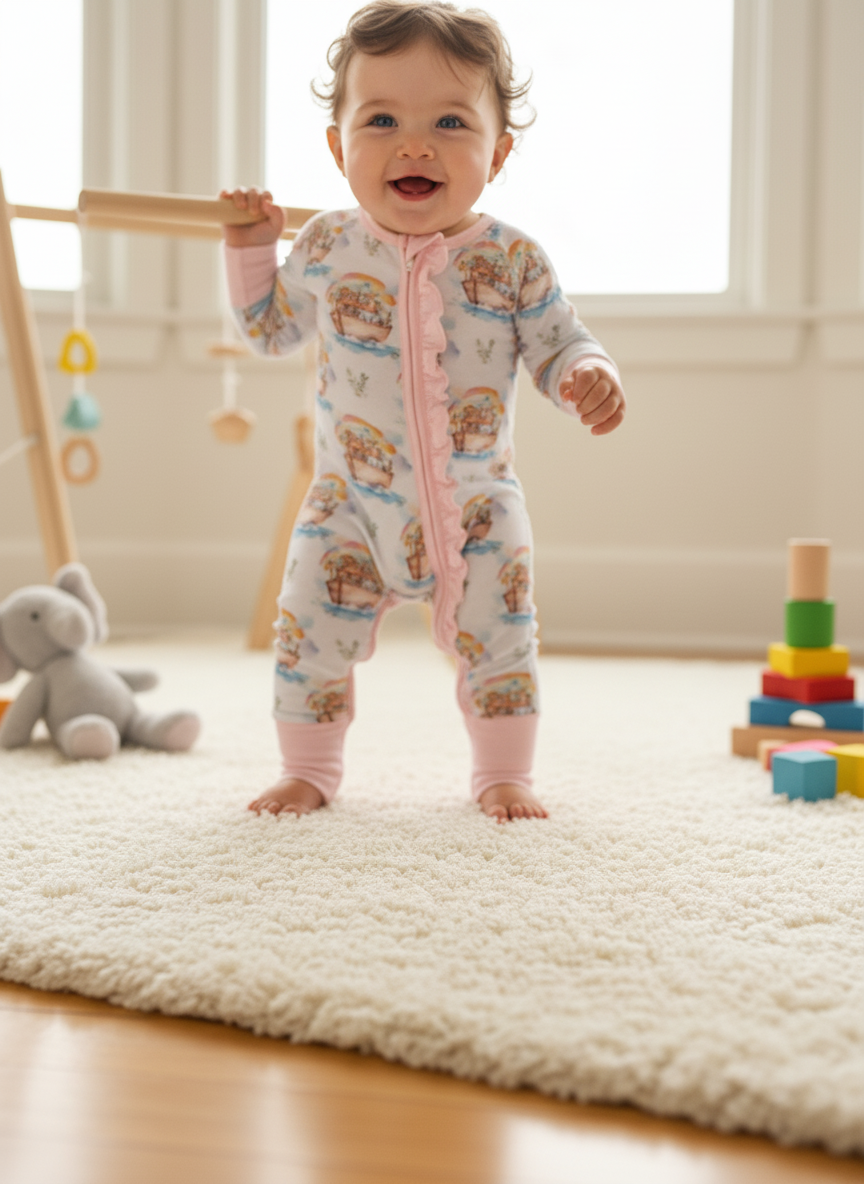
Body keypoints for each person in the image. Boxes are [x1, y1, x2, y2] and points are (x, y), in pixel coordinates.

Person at [221, 0, 626, 823]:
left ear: (497, 152)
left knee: (504, 639)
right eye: (381, 121)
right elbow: (268, 331)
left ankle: (504, 773)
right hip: (348, 505)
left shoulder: (513, 260)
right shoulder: (328, 247)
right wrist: (250, 247)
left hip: (479, 508)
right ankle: (308, 767)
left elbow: (559, 344)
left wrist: (587, 373)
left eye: (449, 121)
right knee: (305, 632)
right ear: (337, 148)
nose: (414, 145)